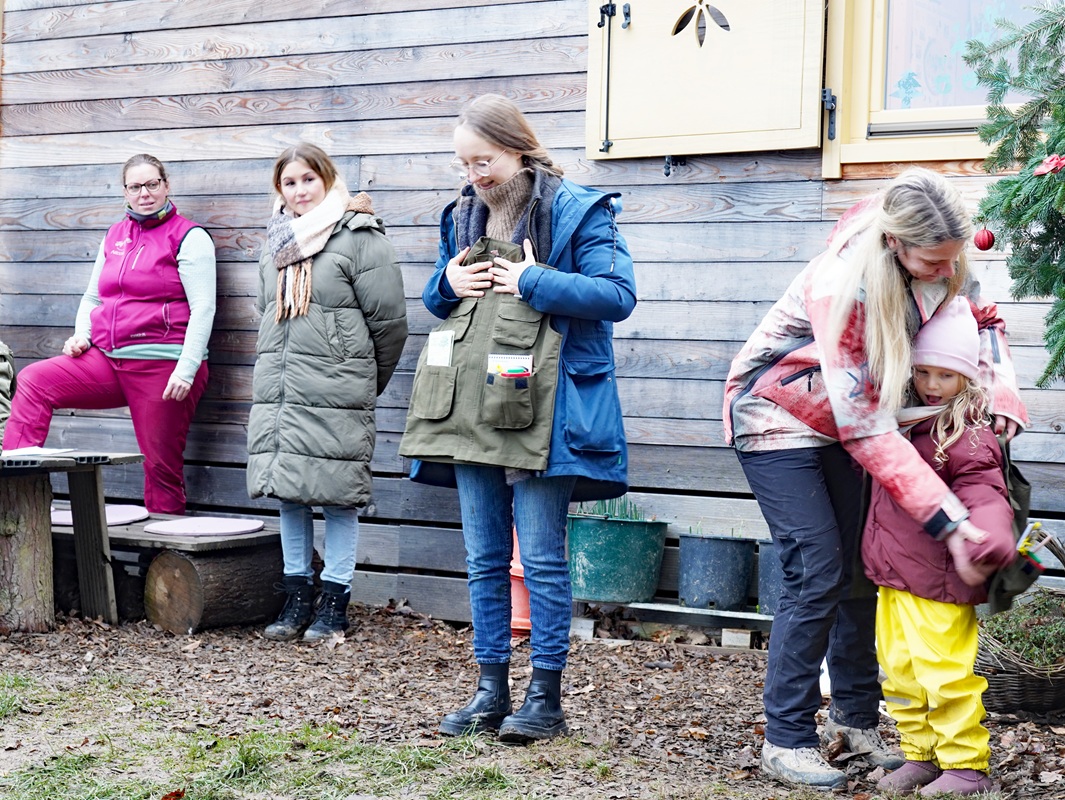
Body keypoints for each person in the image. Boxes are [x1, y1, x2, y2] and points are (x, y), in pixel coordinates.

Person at [722, 167, 1029, 789]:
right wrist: (948, 521)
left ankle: (856, 724)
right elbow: (864, 427)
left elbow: (979, 322)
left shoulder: (942, 261)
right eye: (932, 262)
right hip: (778, 414)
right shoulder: (845, 286)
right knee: (817, 568)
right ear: (895, 243)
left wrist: (1000, 392)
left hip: (852, 416)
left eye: (953, 259)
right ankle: (786, 738)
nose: (946, 272)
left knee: (863, 568)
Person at [399, 94, 636, 742]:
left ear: (517, 148)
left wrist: (534, 281)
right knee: (481, 557)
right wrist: (446, 280)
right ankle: (489, 692)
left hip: (548, 405)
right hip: (473, 400)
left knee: (540, 557)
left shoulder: (575, 208)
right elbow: (436, 300)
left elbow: (617, 296)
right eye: (464, 162)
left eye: (484, 160)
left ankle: (545, 699)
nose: (473, 173)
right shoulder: (463, 213)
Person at [248, 143, 407, 643]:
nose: (299, 191)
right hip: (284, 391)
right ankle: (297, 596)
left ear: (327, 179)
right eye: (289, 182)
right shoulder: (274, 243)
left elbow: (390, 325)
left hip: (338, 389)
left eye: (307, 179)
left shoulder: (359, 236)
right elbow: (265, 316)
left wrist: (359, 385)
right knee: (290, 495)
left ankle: (335, 600)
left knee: (338, 498)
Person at [2, 154, 216, 515]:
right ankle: (13, 496)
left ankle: (161, 559)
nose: (144, 193)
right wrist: (81, 335)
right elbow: (92, 296)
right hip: (107, 358)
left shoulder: (189, 237)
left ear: (166, 186)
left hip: (162, 367)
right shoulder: (116, 234)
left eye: (152, 184)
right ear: (125, 192)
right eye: (135, 186)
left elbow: (203, 308)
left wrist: (187, 367)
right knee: (36, 381)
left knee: (160, 467)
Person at [863, 297, 1015, 797]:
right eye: (922, 372)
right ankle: (921, 755)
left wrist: (991, 538)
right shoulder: (901, 422)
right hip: (894, 578)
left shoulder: (966, 434)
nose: (931, 384)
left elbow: (984, 491)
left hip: (942, 582)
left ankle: (967, 766)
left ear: (966, 380)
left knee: (945, 675)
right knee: (902, 673)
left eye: (945, 375)